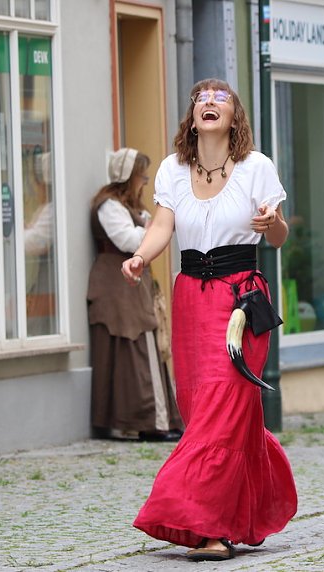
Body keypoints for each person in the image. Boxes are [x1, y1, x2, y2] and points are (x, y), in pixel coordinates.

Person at [122, 79, 298, 562]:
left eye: (220, 98)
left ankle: (207, 528)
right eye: (201, 99)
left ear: (235, 115)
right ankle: (247, 506)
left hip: (240, 300)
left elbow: (278, 234)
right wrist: (140, 256)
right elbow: (162, 225)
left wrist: (271, 223)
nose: (209, 103)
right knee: (203, 410)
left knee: (223, 408)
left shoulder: (255, 167)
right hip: (191, 301)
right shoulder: (173, 170)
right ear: (192, 117)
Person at [88, 148, 184, 442]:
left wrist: (153, 226)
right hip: (115, 286)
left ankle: (157, 421)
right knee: (131, 349)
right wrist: (157, 230)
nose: (144, 181)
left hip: (131, 284)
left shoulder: (131, 208)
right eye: (141, 176)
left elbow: (145, 226)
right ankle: (146, 422)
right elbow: (128, 239)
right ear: (128, 178)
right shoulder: (108, 207)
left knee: (144, 346)